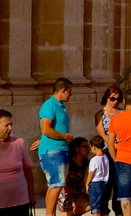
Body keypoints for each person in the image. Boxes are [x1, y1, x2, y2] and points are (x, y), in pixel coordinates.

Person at [39, 77, 75, 216]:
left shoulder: (60, 106)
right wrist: (65, 136)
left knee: (54, 185)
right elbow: (46, 129)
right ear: (63, 90)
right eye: (69, 91)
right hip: (53, 151)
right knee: (57, 185)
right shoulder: (49, 105)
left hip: (59, 149)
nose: (70, 94)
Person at [93, 86, 123, 216]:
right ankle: (104, 210)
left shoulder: (122, 113)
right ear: (107, 97)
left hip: (121, 151)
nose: (115, 101)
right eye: (112, 98)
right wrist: (113, 145)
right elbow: (103, 135)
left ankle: (119, 210)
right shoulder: (100, 114)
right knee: (106, 183)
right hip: (106, 152)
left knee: (120, 183)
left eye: (118, 99)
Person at [0, 108, 35, 215]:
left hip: (21, 202)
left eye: (11, 124)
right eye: (6, 125)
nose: (10, 128)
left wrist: (31, 196)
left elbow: (28, 172)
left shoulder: (19, 143)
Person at [58, 137, 91, 216]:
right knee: (89, 206)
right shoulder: (69, 163)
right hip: (66, 194)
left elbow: (83, 180)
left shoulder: (86, 162)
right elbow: (64, 186)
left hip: (78, 193)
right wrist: (79, 195)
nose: (88, 149)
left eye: (88, 146)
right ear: (77, 149)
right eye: (85, 146)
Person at [86, 136, 111, 216]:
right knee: (103, 204)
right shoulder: (106, 157)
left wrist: (87, 183)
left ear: (94, 147)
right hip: (104, 183)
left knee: (95, 205)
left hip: (95, 184)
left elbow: (91, 173)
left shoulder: (94, 160)